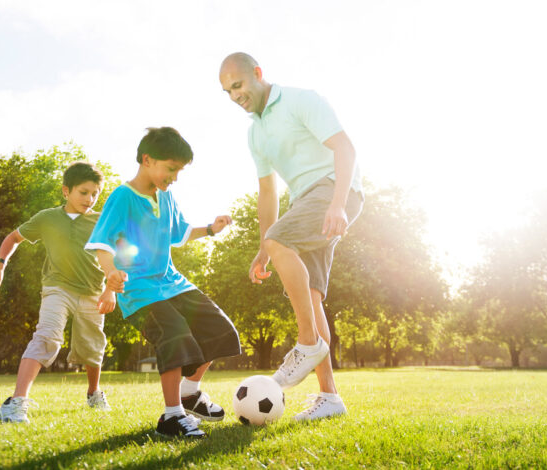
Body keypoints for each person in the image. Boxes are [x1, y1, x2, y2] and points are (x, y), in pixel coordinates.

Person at [219, 52, 364, 421]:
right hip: (305, 202)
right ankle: (330, 399)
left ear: (257, 73)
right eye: (227, 92)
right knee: (311, 296)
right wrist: (264, 248)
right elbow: (267, 193)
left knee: (281, 242)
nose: (235, 96)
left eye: (238, 85)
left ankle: (308, 343)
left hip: (332, 190)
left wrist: (337, 204)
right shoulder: (256, 133)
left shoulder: (301, 100)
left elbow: (345, 148)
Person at [86, 126, 241, 439]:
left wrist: (211, 229)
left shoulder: (167, 196)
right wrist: (110, 272)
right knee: (175, 334)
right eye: (171, 168)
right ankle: (172, 416)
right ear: (147, 160)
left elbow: (179, 233)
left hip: (173, 283)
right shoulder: (122, 197)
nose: (175, 176)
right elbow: (102, 242)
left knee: (220, 330)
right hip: (140, 290)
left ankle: (190, 393)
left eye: (179, 170)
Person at [0, 162, 115, 424]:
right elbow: (13, 238)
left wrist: (110, 290)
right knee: (47, 337)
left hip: (92, 292)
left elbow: (113, 258)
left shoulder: (102, 221)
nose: (89, 199)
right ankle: (16, 403)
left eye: (95, 194)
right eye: (83, 192)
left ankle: (93, 393)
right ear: (66, 191)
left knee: (92, 347)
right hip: (57, 288)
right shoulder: (47, 218)